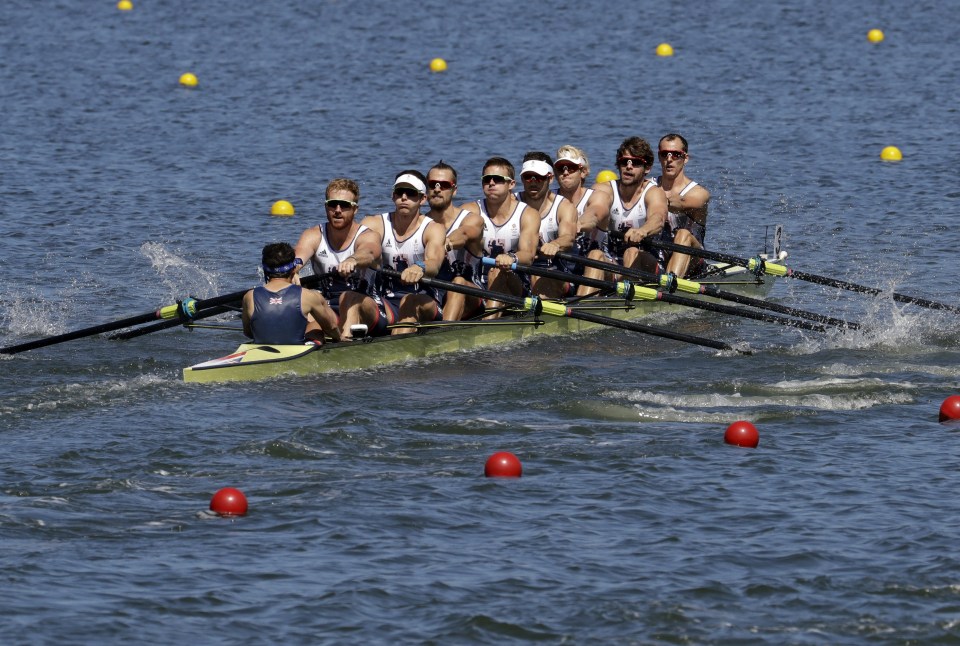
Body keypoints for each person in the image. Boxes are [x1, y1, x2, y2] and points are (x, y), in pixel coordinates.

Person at [340, 170, 446, 335]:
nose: (404, 197)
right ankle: (344, 345)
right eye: (399, 192)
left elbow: (434, 262)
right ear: (393, 196)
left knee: (408, 301)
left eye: (411, 193)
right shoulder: (374, 223)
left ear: (423, 199)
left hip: (423, 300)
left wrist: (419, 267)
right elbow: (364, 249)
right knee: (350, 296)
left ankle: (398, 356)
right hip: (385, 303)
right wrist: (352, 260)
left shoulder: (433, 229)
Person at [578, 136, 668, 294]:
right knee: (595, 254)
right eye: (624, 161)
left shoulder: (654, 192)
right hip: (614, 264)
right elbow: (595, 210)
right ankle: (580, 308)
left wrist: (643, 231)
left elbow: (658, 218)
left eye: (636, 162)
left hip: (650, 264)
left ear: (647, 168)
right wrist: (580, 223)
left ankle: (627, 301)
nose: (629, 166)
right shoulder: (604, 189)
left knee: (631, 252)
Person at [452, 156, 540, 317]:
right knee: (457, 282)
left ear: (511, 184)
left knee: (498, 272)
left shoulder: (527, 214)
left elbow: (528, 254)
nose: (491, 183)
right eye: (486, 179)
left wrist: (512, 258)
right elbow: (460, 232)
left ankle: (488, 325)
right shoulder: (470, 210)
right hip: (478, 285)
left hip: (515, 284)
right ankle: (444, 331)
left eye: (498, 179)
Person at [293, 178, 382, 331]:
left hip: (368, 308)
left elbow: (368, 252)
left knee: (348, 298)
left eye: (345, 205)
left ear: (355, 209)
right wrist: (292, 270)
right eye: (333, 204)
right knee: (304, 302)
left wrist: (353, 259)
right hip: (328, 308)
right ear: (326, 207)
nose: (338, 210)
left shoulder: (368, 236)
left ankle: (344, 342)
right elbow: (297, 258)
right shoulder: (313, 235)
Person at [242, 242, 341, 345]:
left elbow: (248, 332)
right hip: (298, 352)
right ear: (294, 270)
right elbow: (331, 328)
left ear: (265, 271)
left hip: (263, 349)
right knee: (317, 326)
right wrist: (339, 339)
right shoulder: (308, 296)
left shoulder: (249, 296)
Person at [424, 160, 487, 321]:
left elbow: (465, 233)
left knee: (457, 282)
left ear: (454, 190)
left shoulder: (472, 219)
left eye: (444, 185)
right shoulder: (421, 224)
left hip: (472, 295)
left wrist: (444, 244)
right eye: (432, 184)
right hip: (435, 295)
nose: (437, 189)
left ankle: (444, 336)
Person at [516, 151, 579, 299]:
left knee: (542, 278)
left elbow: (568, 238)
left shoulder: (564, 207)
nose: (533, 182)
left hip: (557, 274)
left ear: (550, 178)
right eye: (527, 177)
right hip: (521, 274)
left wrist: (555, 244)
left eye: (538, 177)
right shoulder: (512, 204)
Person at [655, 133, 711, 277]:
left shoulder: (699, 193)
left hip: (693, 261)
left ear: (685, 158)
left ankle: (669, 287)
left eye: (675, 154)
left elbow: (679, 203)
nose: (669, 159)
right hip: (658, 256)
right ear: (659, 157)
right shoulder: (648, 186)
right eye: (664, 154)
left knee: (683, 234)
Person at [555, 145, 603, 256]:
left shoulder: (597, 196)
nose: (565, 172)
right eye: (560, 168)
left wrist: (578, 225)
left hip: (596, 261)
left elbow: (595, 214)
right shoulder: (548, 198)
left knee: (595, 255)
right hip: (561, 263)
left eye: (571, 167)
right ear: (555, 174)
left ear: (583, 172)